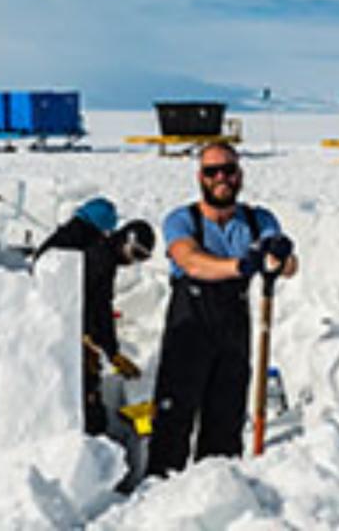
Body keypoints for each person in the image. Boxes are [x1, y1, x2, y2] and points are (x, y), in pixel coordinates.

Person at [145, 142, 297, 477]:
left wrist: (279, 257)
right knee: (174, 417)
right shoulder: (183, 219)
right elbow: (190, 261)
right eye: (212, 171)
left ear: (240, 175)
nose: (221, 178)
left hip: (233, 325)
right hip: (190, 325)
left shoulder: (258, 220)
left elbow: (285, 264)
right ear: (200, 177)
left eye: (228, 170)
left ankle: (217, 496)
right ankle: (157, 497)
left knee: (226, 419)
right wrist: (242, 266)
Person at [34, 197, 155, 435]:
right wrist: (91, 340)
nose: (132, 262)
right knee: (85, 400)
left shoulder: (82, 247)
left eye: (141, 258)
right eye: (135, 253)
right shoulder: (96, 255)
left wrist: (112, 351)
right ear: (124, 238)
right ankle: (92, 448)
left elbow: (98, 303)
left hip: (63, 335)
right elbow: (92, 304)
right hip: (64, 339)